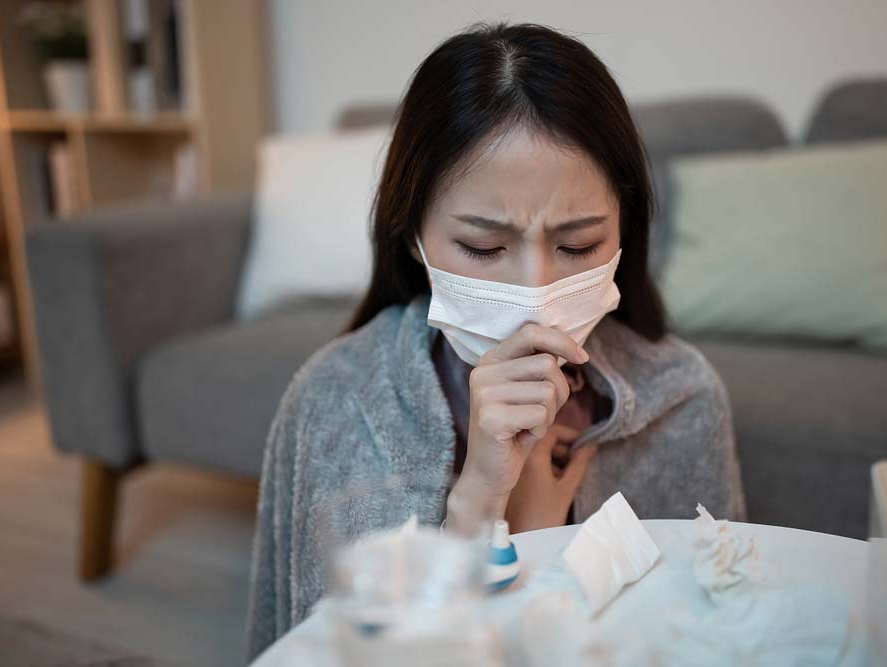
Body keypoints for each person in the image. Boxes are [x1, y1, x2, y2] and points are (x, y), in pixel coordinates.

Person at [246, 20, 745, 660]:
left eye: (578, 245)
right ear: (412, 235)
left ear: (625, 230)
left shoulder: (682, 399)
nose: (534, 294)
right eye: (483, 247)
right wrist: (483, 504)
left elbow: (719, 638)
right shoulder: (339, 401)